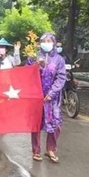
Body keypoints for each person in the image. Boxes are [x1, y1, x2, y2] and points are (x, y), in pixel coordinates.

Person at [28, 33, 66, 164]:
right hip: (37, 96)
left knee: (56, 124)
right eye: (44, 41)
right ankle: (36, 150)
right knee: (36, 124)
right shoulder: (33, 57)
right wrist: (37, 66)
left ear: (54, 43)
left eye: (49, 41)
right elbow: (26, 74)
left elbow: (61, 77)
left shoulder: (59, 60)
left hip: (52, 99)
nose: (46, 43)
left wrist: (52, 93)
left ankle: (51, 149)